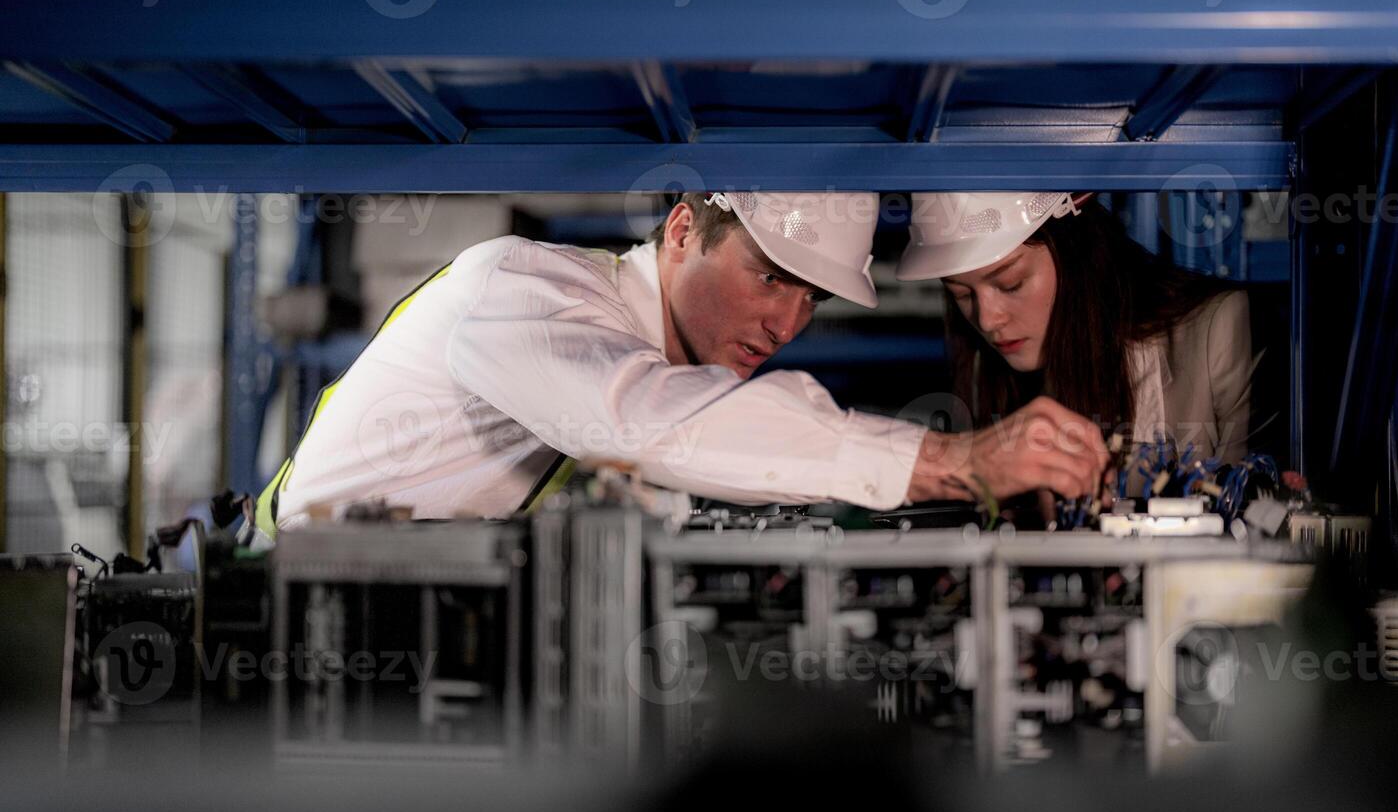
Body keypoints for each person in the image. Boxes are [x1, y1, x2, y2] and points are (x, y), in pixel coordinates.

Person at [254, 191, 1110, 539]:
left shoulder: (627, 343)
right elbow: (639, 418)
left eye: (812, 298)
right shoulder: (524, 283)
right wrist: (952, 461)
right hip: (290, 626)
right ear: (681, 230)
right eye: (769, 277)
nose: (787, 322)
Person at [897, 191, 1254, 499]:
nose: (988, 320)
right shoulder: (981, 371)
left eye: (1011, 284)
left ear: (1074, 252)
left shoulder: (1218, 331)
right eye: (961, 294)